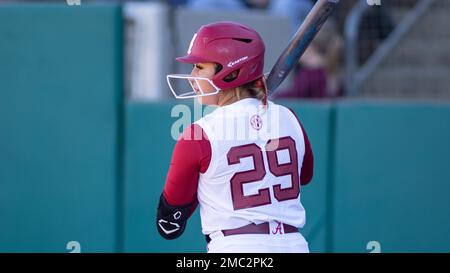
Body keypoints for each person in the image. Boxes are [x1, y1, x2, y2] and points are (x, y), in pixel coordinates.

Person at [157, 21, 314, 253]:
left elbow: (169, 224)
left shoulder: (199, 134)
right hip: (294, 246)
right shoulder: (289, 118)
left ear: (230, 73)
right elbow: (305, 176)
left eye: (200, 66)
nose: (192, 76)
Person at [274, 19, 344, 99]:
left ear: (309, 46)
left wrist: (271, 97)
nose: (295, 49)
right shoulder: (332, 71)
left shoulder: (310, 74)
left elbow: (294, 96)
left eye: (299, 44)